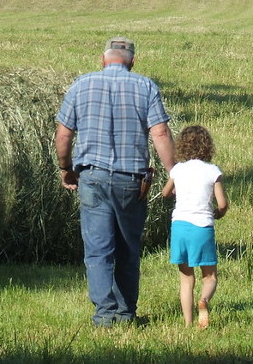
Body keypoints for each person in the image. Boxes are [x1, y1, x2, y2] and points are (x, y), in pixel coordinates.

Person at [55, 36, 175, 327]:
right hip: (131, 180)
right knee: (127, 248)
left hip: (92, 177)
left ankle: (104, 316)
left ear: (103, 59)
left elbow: (64, 134)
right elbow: (159, 133)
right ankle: (125, 314)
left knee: (98, 249)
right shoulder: (145, 86)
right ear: (132, 62)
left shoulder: (81, 84)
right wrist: (175, 173)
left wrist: (65, 168)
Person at [162, 125, 228, 329]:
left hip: (180, 226)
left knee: (186, 278)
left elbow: (165, 193)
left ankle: (188, 323)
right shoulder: (212, 171)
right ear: (207, 147)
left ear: (181, 147)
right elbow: (222, 204)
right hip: (202, 227)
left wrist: (174, 191)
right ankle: (204, 301)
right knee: (210, 276)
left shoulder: (178, 169)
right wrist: (219, 213)